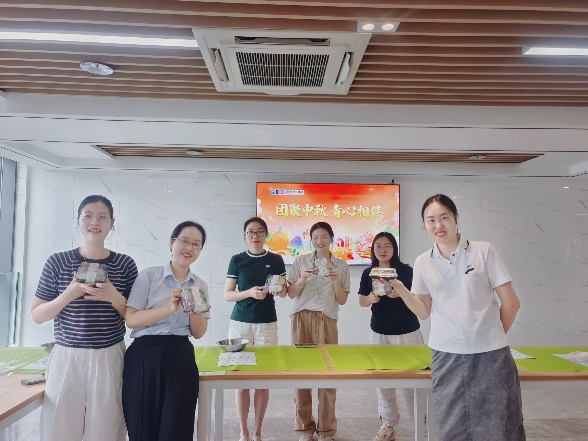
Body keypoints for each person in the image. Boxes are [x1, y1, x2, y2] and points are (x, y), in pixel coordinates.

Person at [388, 194, 525, 441]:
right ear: (424, 224)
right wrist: (399, 287)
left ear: (455, 218)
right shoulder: (423, 262)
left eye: (444, 218)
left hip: (491, 356)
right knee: (451, 428)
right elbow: (423, 310)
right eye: (431, 220)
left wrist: (489, 335)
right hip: (446, 355)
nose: (438, 225)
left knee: (498, 427)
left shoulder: (483, 251)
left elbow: (512, 303)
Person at [31, 195, 138, 441]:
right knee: (60, 428)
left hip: (109, 354)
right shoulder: (57, 261)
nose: (94, 222)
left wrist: (113, 296)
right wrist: (69, 294)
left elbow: (134, 317)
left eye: (102, 217)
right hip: (67, 355)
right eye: (87, 216)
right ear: (78, 221)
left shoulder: (125, 264)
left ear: (112, 223)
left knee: (106, 428)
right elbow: (37, 314)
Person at [122, 221, 209, 441]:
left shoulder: (200, 286)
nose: (189, 248)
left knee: (177, 425)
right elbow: (131, 319)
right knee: (142, 424)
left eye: (196, 244)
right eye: (184, 241)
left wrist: (195, 311)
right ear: (172, 243)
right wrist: (169, 309)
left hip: (180, 355)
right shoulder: (149, 276)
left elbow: (198, 333)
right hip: (144, 354)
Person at [224, 216, 287, 441]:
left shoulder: (276, 260)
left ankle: (258, 431)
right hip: (239, 324)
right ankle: (244, 432)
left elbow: (284, 291)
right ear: (245, 235)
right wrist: (249, 293)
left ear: (266, 235)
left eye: (260, 231)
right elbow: (228, 294)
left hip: (267, 324)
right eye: (250, 232)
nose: (255, 236)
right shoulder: (237, 259)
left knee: (263, 379)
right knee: (240, 380)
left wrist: (278, 290)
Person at [287, 222, 351, 441]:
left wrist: (335, 282)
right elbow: (291, 293)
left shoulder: (341, 265)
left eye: (324, 236)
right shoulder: (301, 261)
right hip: (301, 318)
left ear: (331, 238)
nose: (319, 241)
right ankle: (305, 428)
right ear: (311, 239)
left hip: (326, 319)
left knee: (328, 373)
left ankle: (326, 429)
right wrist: (302, 279)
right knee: (301, 373)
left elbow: (342, 299)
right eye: (315, 237)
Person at [358, 232, 424, 441]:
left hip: (407, 331)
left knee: (414, 381)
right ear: (373, 249)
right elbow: (361, 301)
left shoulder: (406, 271)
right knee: (383, 380)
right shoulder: (368, 273)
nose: (383, 249)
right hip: (379, 332)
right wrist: (370, 298)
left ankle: (422, 426)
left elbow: (419, 299)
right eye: (378, 246)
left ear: (394, 248)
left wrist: (401, 292)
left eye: (387, 245)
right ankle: (388, 424)